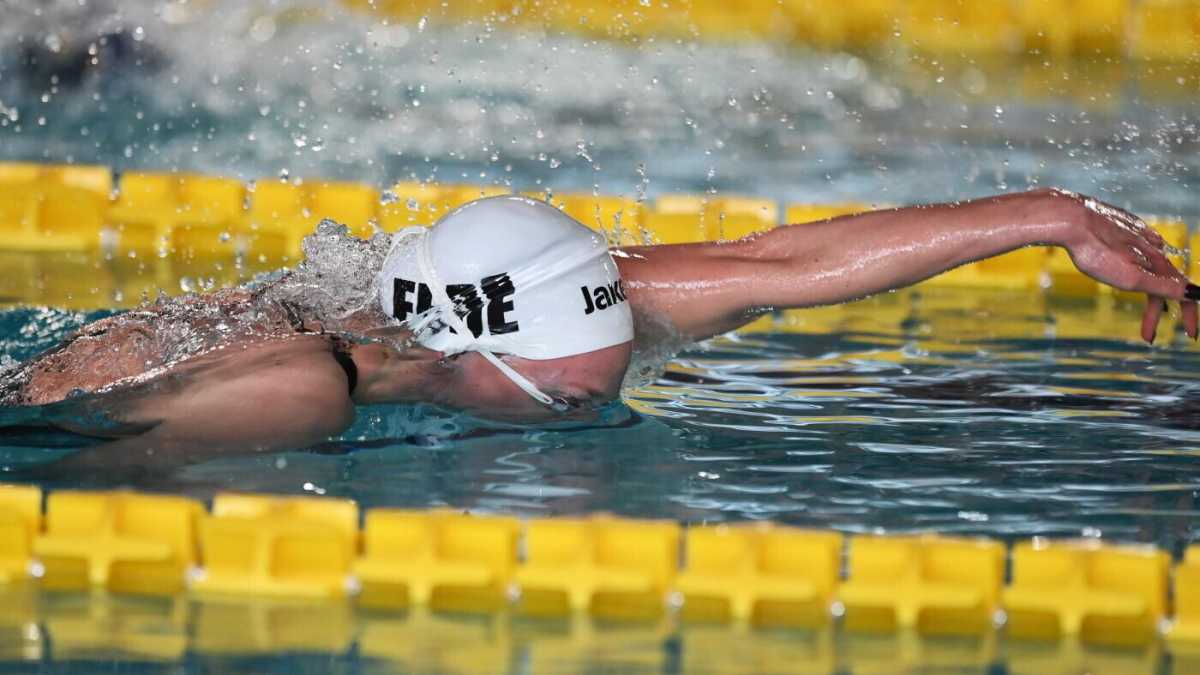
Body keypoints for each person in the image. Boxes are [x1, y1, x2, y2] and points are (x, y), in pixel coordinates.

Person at [1, 188, 1196, 461]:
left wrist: (1050, 215)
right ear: (471, 357)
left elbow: (777, 262)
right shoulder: (297, 390)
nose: (603, 399)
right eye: (572, 403)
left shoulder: (547, 301)